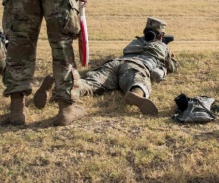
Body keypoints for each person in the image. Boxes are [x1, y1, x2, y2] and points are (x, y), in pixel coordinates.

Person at [32, 17, 179, 115]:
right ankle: (136, 95)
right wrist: (170, 57)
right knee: (137, 81)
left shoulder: (135, 42)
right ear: (161, 36)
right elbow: (172, 66)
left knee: (91, 84)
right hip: (137, 66)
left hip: (114, 63)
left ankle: (58, 86)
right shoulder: (162, 47)